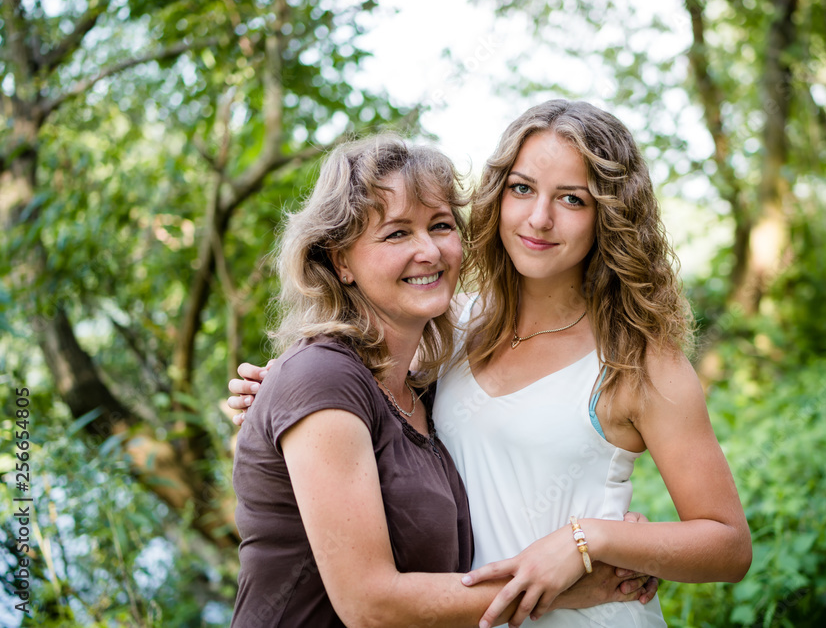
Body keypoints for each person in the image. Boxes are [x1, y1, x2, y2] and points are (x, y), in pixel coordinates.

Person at [231, 101, 752, 627]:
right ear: (497, 196)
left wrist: (594, 539)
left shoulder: (636, 360)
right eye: (522, 189)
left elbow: (728, 546)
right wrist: (276, 395)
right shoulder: (452, 326)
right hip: (473, 615)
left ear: (609, 214)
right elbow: (367, 402)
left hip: (592, 612)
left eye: (572, 199)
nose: (539, 218)